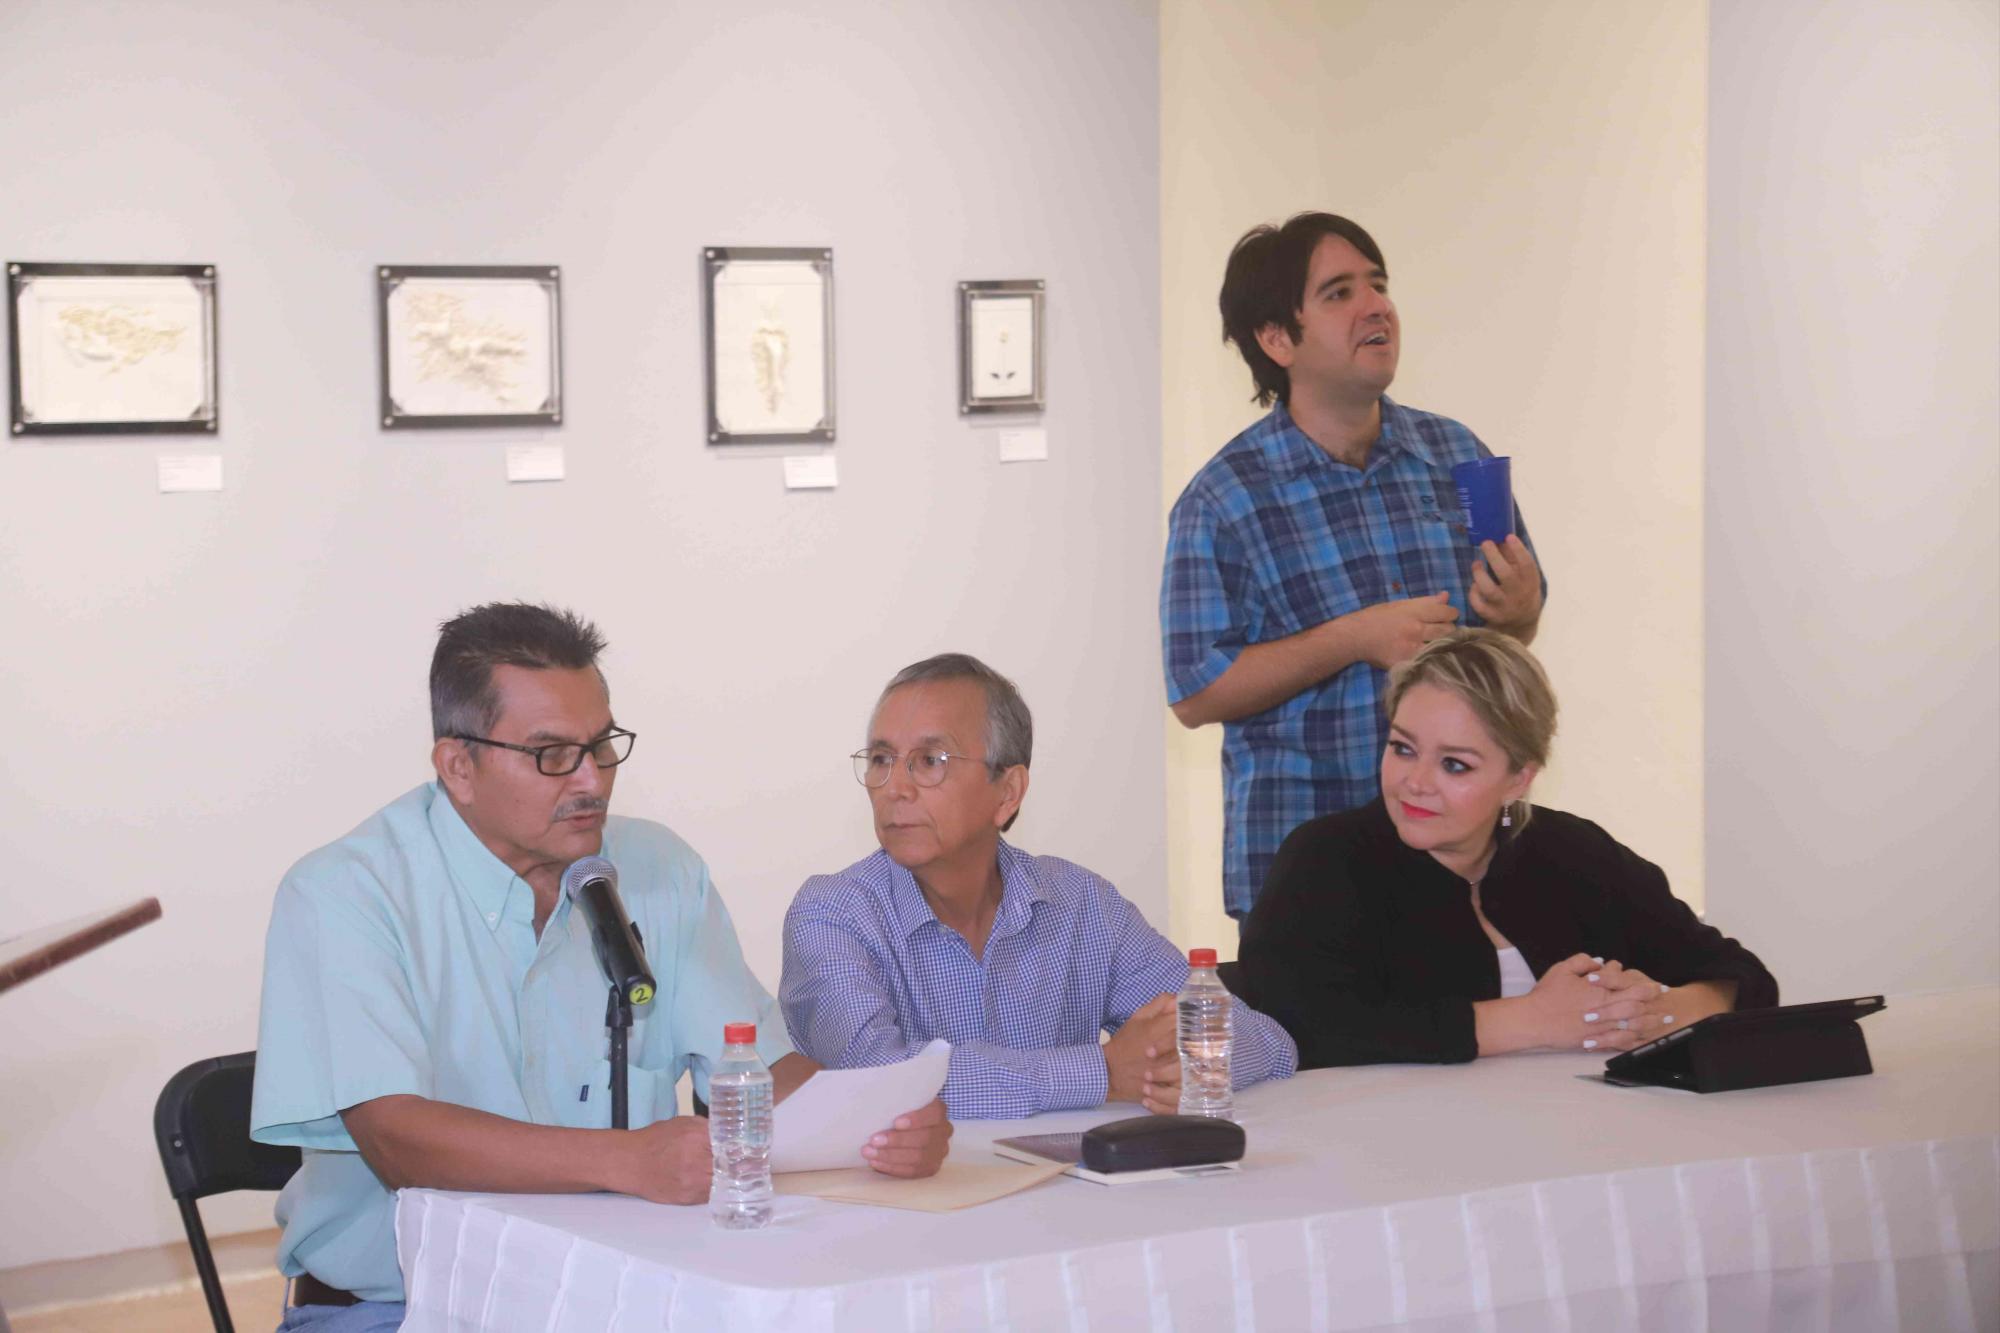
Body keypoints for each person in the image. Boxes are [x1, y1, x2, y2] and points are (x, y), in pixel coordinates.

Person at [250, 604, 950, 1329]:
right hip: (400, 1306)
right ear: (459, 766)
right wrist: (624, 1159)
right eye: (552, 753)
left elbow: (755, 1065)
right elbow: (398, 1138)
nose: (591, 779)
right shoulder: (347, 893)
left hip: (618, 1297)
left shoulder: (658, 869)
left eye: (602, 745)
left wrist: (876, 1122)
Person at [1161, 211, 1548, 920]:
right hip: (1308, 866)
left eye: (1379, 285)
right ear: (1277, 338)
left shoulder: (1454, 452)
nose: (1376, 307)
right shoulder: (1224, 499)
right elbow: (1196, 690)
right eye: (1339, 293)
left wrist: (1519, 609)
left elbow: (1509, 631)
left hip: (1464, 860)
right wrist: (1352, 639)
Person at [779, 653, 1298, 1118]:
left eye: (929, 761)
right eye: (881, 760)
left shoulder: (1081, 904)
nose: (895, 788)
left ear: (1008, 792)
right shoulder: (833, 913)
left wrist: (1184, 1065)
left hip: (1065, 1190)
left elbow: (1269, 1044)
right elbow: (876, 1082)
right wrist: (1103, 1073)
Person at [1235, 629, 1777, 1068]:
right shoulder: (1325, 858)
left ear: (1519, 778)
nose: (1414, 783)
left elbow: (1742, 976)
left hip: (1575, 1136)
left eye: (1454, 765)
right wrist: (1530, 1021)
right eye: (1402, 748)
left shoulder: (1574, 852)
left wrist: (1660, 1011)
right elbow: (1287, 1027)